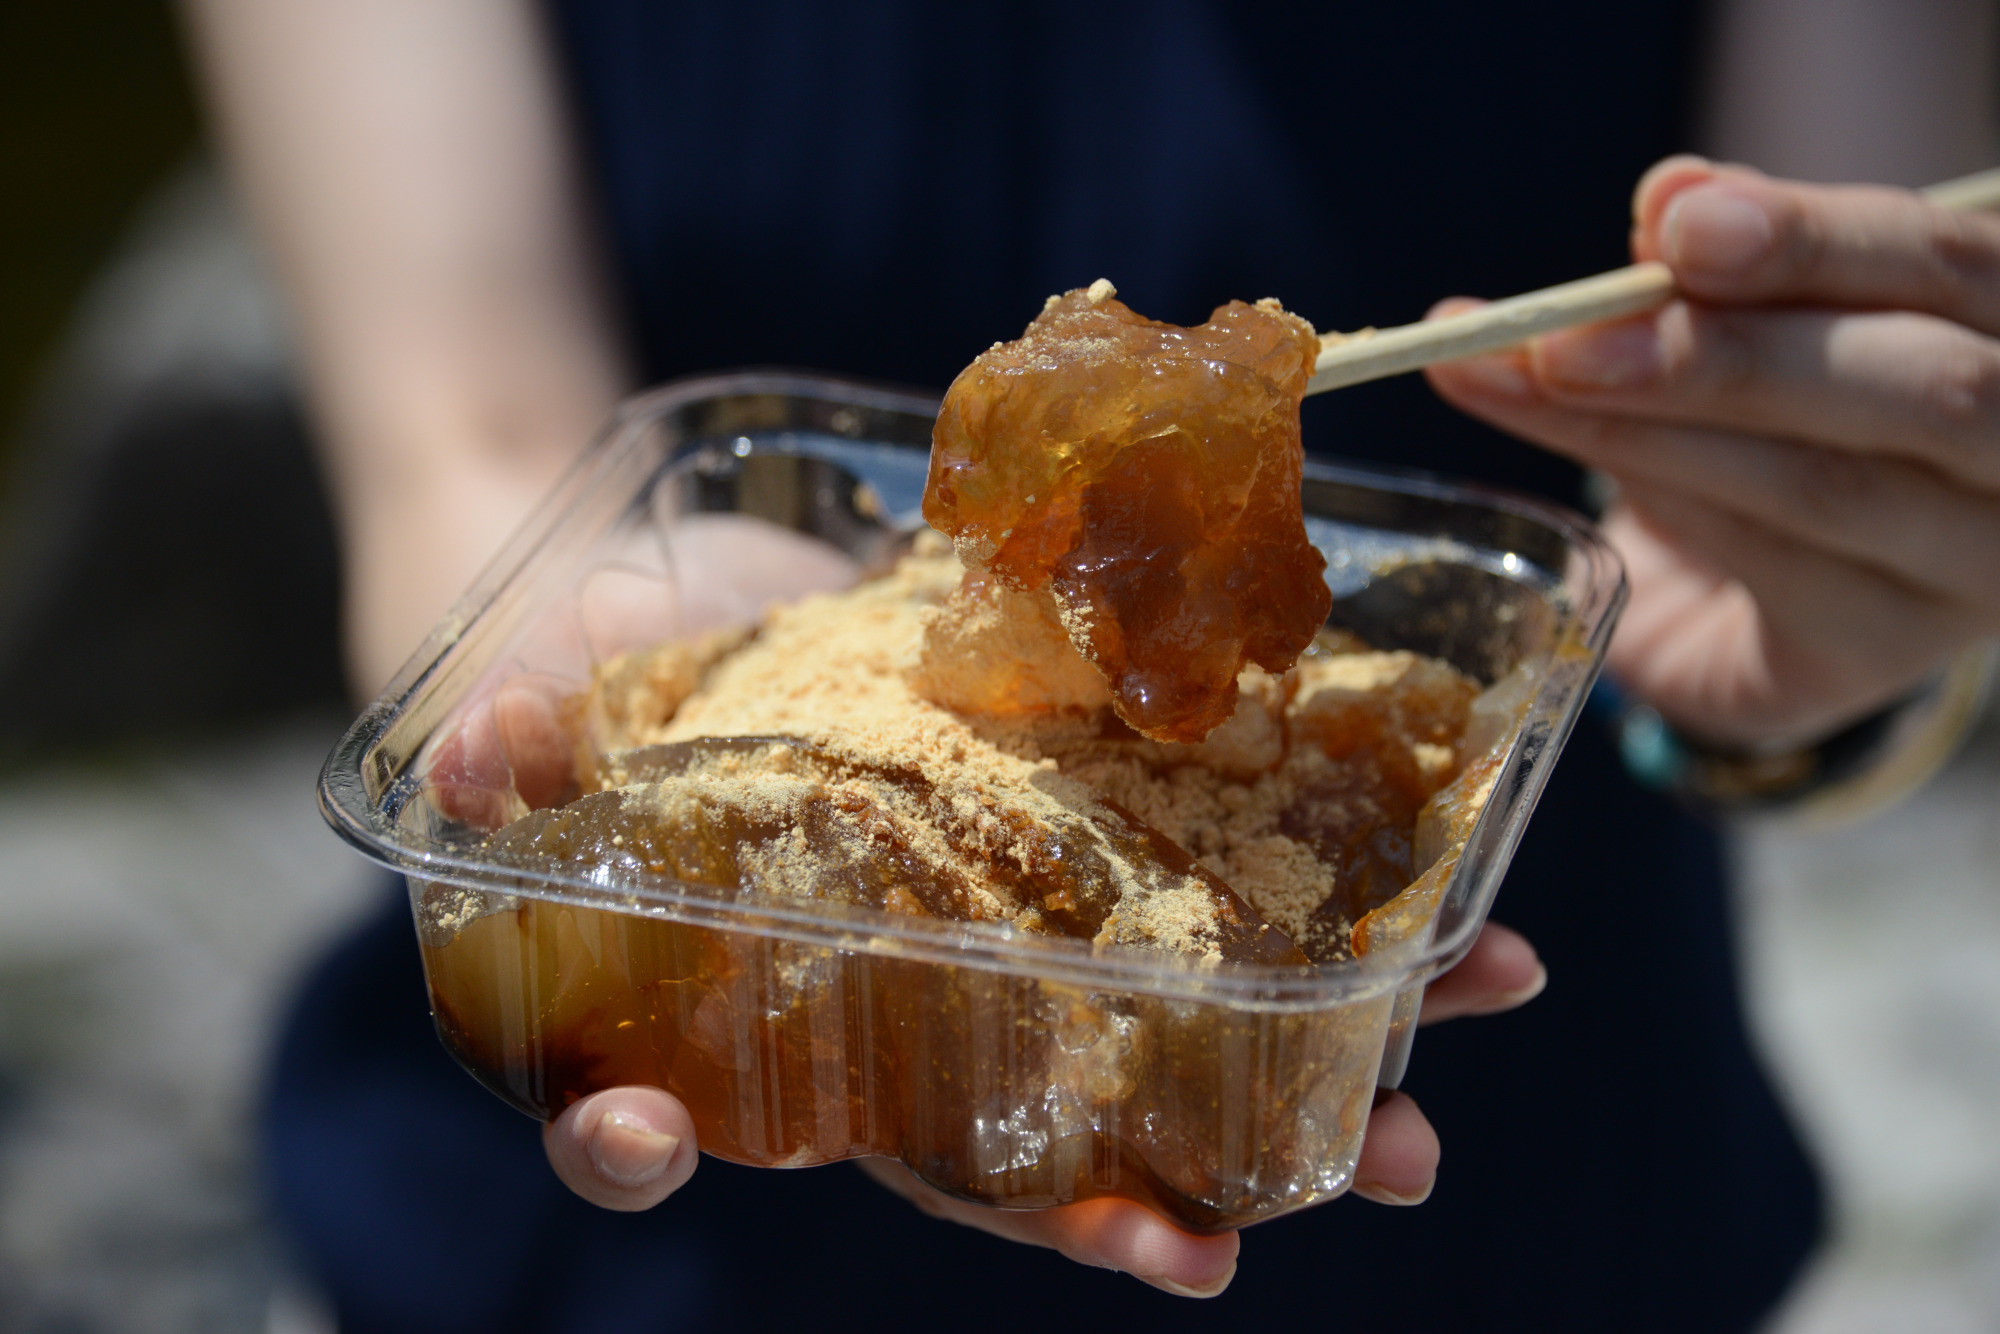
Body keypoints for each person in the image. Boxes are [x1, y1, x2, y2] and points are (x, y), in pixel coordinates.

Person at [178, 0, 1999, 1328]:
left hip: (1493, 1190)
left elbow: (1814, 423)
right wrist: (583, 668)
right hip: (635, 1233)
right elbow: (472, 443)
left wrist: (1825, 633)